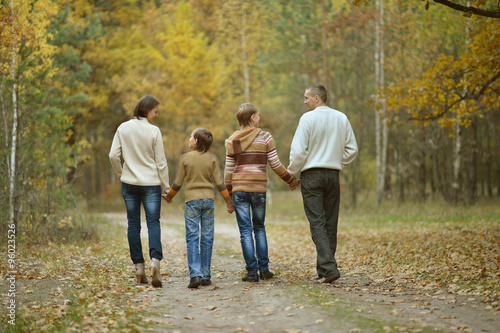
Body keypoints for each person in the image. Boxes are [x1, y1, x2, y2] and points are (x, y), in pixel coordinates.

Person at [288, 84, 358, 284]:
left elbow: (299, 151)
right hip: (333, 175)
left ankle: (328, 268)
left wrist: (292, 173)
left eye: (306, 97)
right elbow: (352, 149)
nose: (304, 101)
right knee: (330, 222)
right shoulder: (341, 118)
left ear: (317, 98)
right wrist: (337, 160)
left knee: (317, 222)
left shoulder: (307, 119)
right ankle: (324, 269)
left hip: (312, 176)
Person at [225, 103, 299, 282]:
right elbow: (275, 164)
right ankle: (264, 270)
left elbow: (228, 171)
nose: (259, 118)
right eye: (257, 116)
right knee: (259, 228)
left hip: (239, 191)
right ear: (252, 118)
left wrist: (229, 197)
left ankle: (252, 272)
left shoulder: (232, 140)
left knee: (245, 231)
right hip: (258, 190)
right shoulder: (265, 137)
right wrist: (290, 180)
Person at [109, 95, 169, 288]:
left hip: (129, 183)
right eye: (155, 111)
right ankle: (155, 263)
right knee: (153, 223)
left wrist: (121, 173)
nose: (156, 115)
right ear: (146, 110)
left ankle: (139, 268)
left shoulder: (122, 128)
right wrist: (166, 187)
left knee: (133, 225)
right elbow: (161, 162)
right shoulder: (154, 131)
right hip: (151, 183)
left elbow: (113, 155)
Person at [164, 128, 235, 289]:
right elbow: (219, 183)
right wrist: (228, 202)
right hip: (208, 202)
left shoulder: (185, 159)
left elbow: (178, 183)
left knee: (192, 238)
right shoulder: (212, 159)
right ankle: (206, 275)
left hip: (192, 202)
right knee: (207, 238)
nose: (189, 139)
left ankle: (195, 274)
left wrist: (169, 197)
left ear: (195, 141)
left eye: (191, 137)